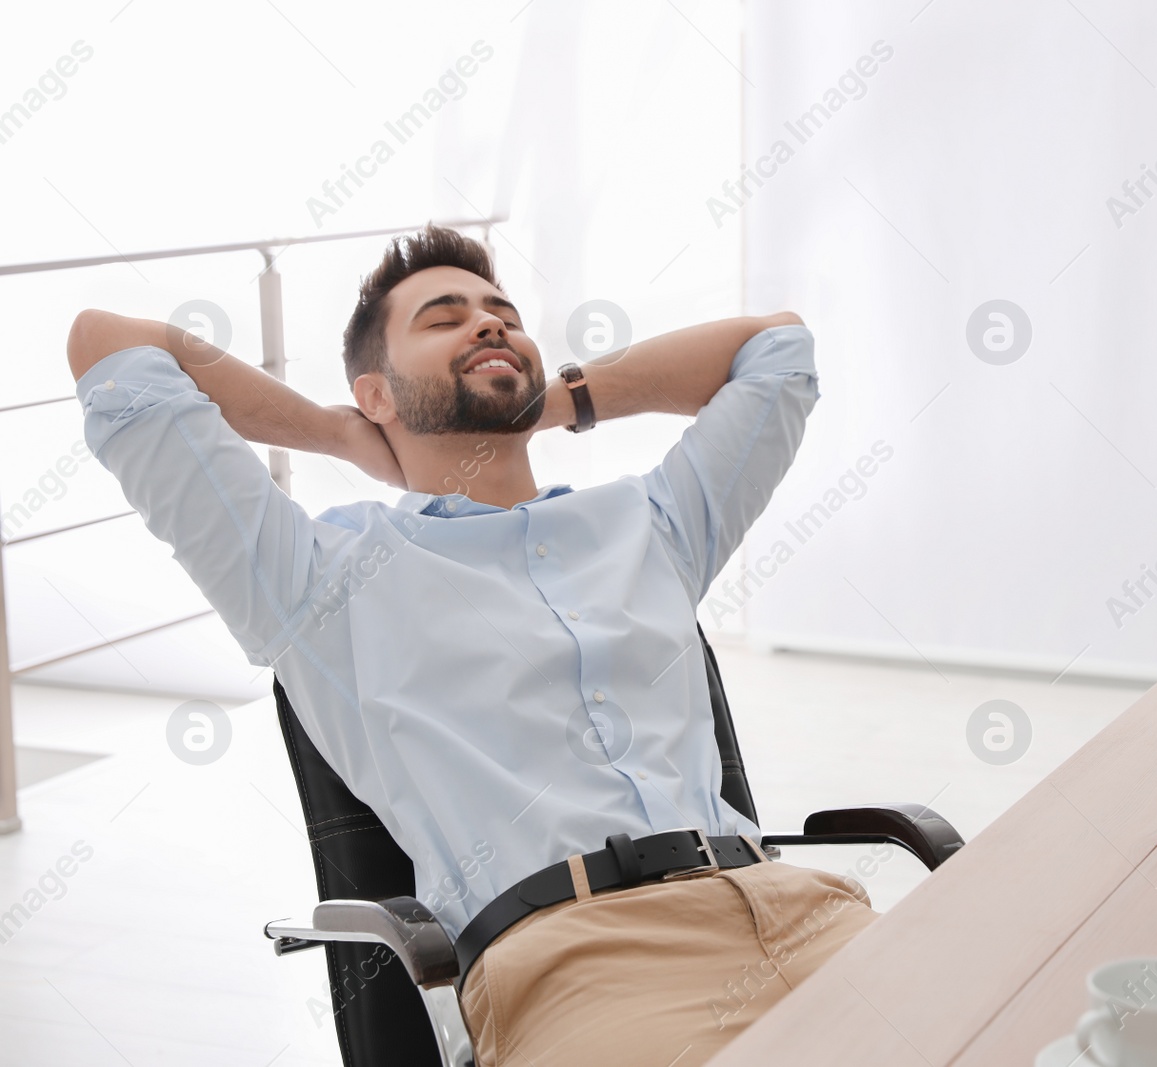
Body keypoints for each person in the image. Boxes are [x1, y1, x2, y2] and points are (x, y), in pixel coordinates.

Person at [65, 224, 878, 1066]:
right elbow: (109, 345)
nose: (489, 325)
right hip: (581, 962)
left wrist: (548, 401)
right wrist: (340, 433)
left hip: (797, 907)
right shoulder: (316, 579)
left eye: (503, 314)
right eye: (443, 318)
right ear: (374, 392)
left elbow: (779, 348)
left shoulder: (650, 523)